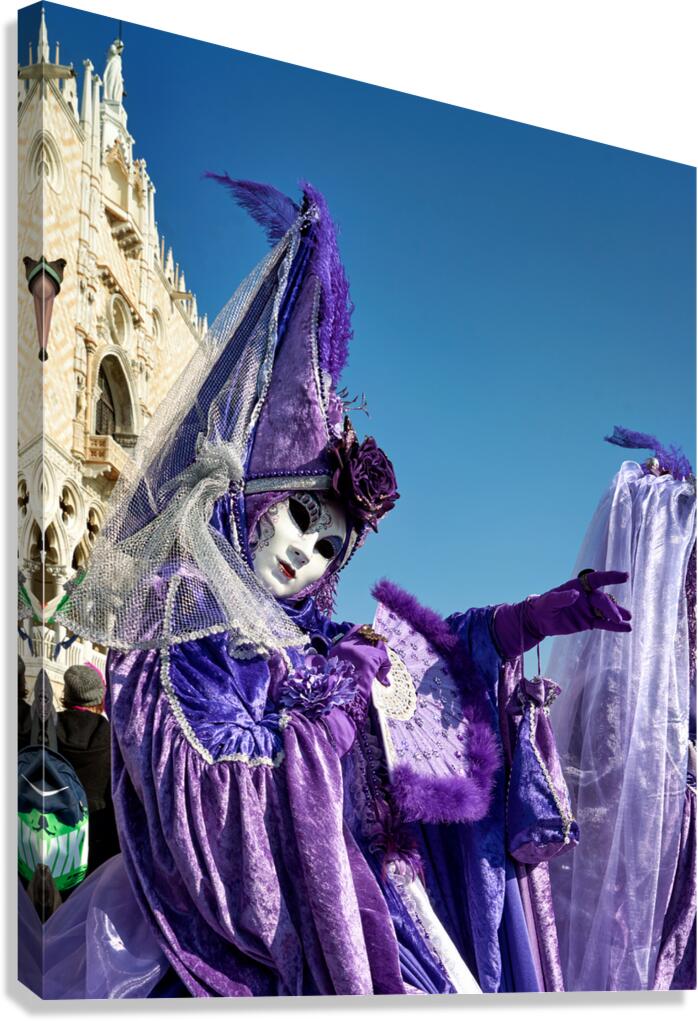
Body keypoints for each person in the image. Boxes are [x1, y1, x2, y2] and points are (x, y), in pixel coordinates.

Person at [50, 180, 631, 997]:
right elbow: (211, 804)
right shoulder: (187, 612)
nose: (305, 554)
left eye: (329, 546)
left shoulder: (315, 641)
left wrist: (522, 621)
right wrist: (323, 723)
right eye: (298, 516)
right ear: (255, 497)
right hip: (226, 946)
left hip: (364, 919)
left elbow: (420, 672)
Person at [56, 664, 120, 876]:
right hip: (98, 835)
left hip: (54, 830)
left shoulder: (46, 728)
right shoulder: (113, 735)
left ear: (67, 694)